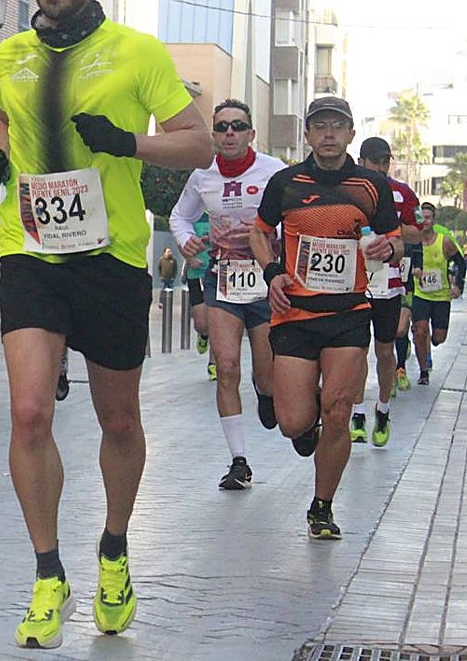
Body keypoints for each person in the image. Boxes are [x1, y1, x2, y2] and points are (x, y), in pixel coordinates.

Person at [0, 0, 211, 647]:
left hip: (108, 257)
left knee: (119, 421)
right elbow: (6, 123)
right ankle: (49, 575)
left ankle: (113, 547)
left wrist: (130, 143)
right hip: (32, 250)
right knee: (28, 414)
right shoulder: (9, 54)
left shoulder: (136, 53)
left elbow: (199, 140)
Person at [249, 96, 401, 540]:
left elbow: (394, 241)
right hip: (294, 314)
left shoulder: (371, 185)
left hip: (348, 313)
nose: (329, 134)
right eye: (321, 127)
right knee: (293, 422)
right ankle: (306, 415)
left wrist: (385, 248)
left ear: (351, 134)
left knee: (339, 411)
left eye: (338, 127)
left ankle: (322, 506)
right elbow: (259, 233)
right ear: (308, 134)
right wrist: (273, 272)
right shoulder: (285, 183)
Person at [169, 98, 286, 491]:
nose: (229, 133)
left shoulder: (273, 171)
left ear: (251, 133)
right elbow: (179, 215)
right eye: (221, 127)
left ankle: (266, 393)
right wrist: (186, 241)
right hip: (222, 279)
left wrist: (274, 246)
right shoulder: (203, 174)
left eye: (237, 126)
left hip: (265, 280)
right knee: (227, 367)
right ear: (214, 135)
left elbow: (295, 218)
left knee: (266, 378)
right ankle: (238, 461)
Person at [350, 138, 422, 446]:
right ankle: (357, 413)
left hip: (389, 284)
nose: (380, 167)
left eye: (385, 161)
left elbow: (419, 231)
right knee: (353, 352)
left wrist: (388, 229)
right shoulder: (348, 187)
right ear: (362, 161)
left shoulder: (403, 193)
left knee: (383, 350)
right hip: (352, 282)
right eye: (374, 161)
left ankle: (382, 409)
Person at [411, 201, 465, 385]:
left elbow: (461, 263)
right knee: (420, 331)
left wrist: (458, 285)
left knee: (438, 338)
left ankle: (432, 341)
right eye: (422, 218)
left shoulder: (444, 242)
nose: (425, 222)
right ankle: (423, 371)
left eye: (428, 218)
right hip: (420, 295)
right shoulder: (414, 242)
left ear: (434, 221)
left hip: (441, 297)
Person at [184, 213, 217, 381]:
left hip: (218, 273)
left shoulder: (222, 212)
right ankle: (203, 334)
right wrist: (189, 258)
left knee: (217, 320)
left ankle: (214, 364)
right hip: (196, 272)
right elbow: (181, 238)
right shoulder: (193, 214)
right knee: (202, 323)